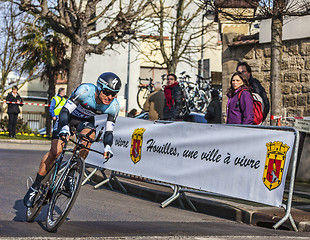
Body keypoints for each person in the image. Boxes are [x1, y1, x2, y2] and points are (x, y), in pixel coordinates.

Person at [23, 72, 122, 207]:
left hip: (85, 122)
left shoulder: (114, 106)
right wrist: (64, 128)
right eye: (106, 92)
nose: (109, 97)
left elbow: (109, 131)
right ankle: (35, 187)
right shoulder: (85, 91)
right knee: (56, 151)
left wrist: (108, 147)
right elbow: (64, 111)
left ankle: (71, 173)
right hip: (67, 117)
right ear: (99, 88)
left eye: (114, 94)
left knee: (88, 141)